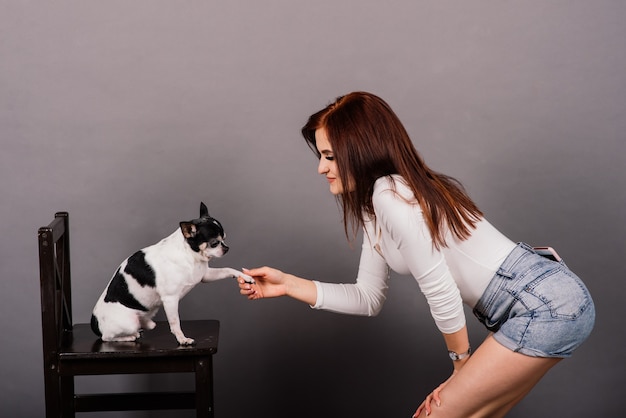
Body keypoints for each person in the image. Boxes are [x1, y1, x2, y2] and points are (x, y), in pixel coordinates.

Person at [237, 91, 595, 417]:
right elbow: (368, 297)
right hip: (536, 298)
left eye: (330, 156)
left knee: (437, 414)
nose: (321, 168)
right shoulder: (375, 205)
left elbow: (439, 287)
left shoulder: (390, 196)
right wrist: (288, 285)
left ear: (359, 149)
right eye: (320, 156)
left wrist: (460, 366)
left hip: (544, 302)